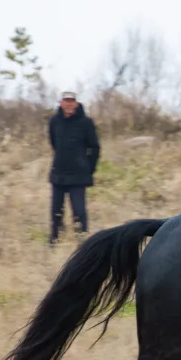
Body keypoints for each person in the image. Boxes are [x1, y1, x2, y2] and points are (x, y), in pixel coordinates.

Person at [47, 91, 100, 246]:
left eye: (71, 101)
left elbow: (95, 147)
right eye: (66, 101)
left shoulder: (86, 122)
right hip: (58, 173)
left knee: (79, 211)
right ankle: (54, 240)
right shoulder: (54, 121)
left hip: (78, 175)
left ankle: (82, 242)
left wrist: (88, 167)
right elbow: (53, 142)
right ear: (61, 103)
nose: (69, 104)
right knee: (56, 210)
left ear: (76, 104)